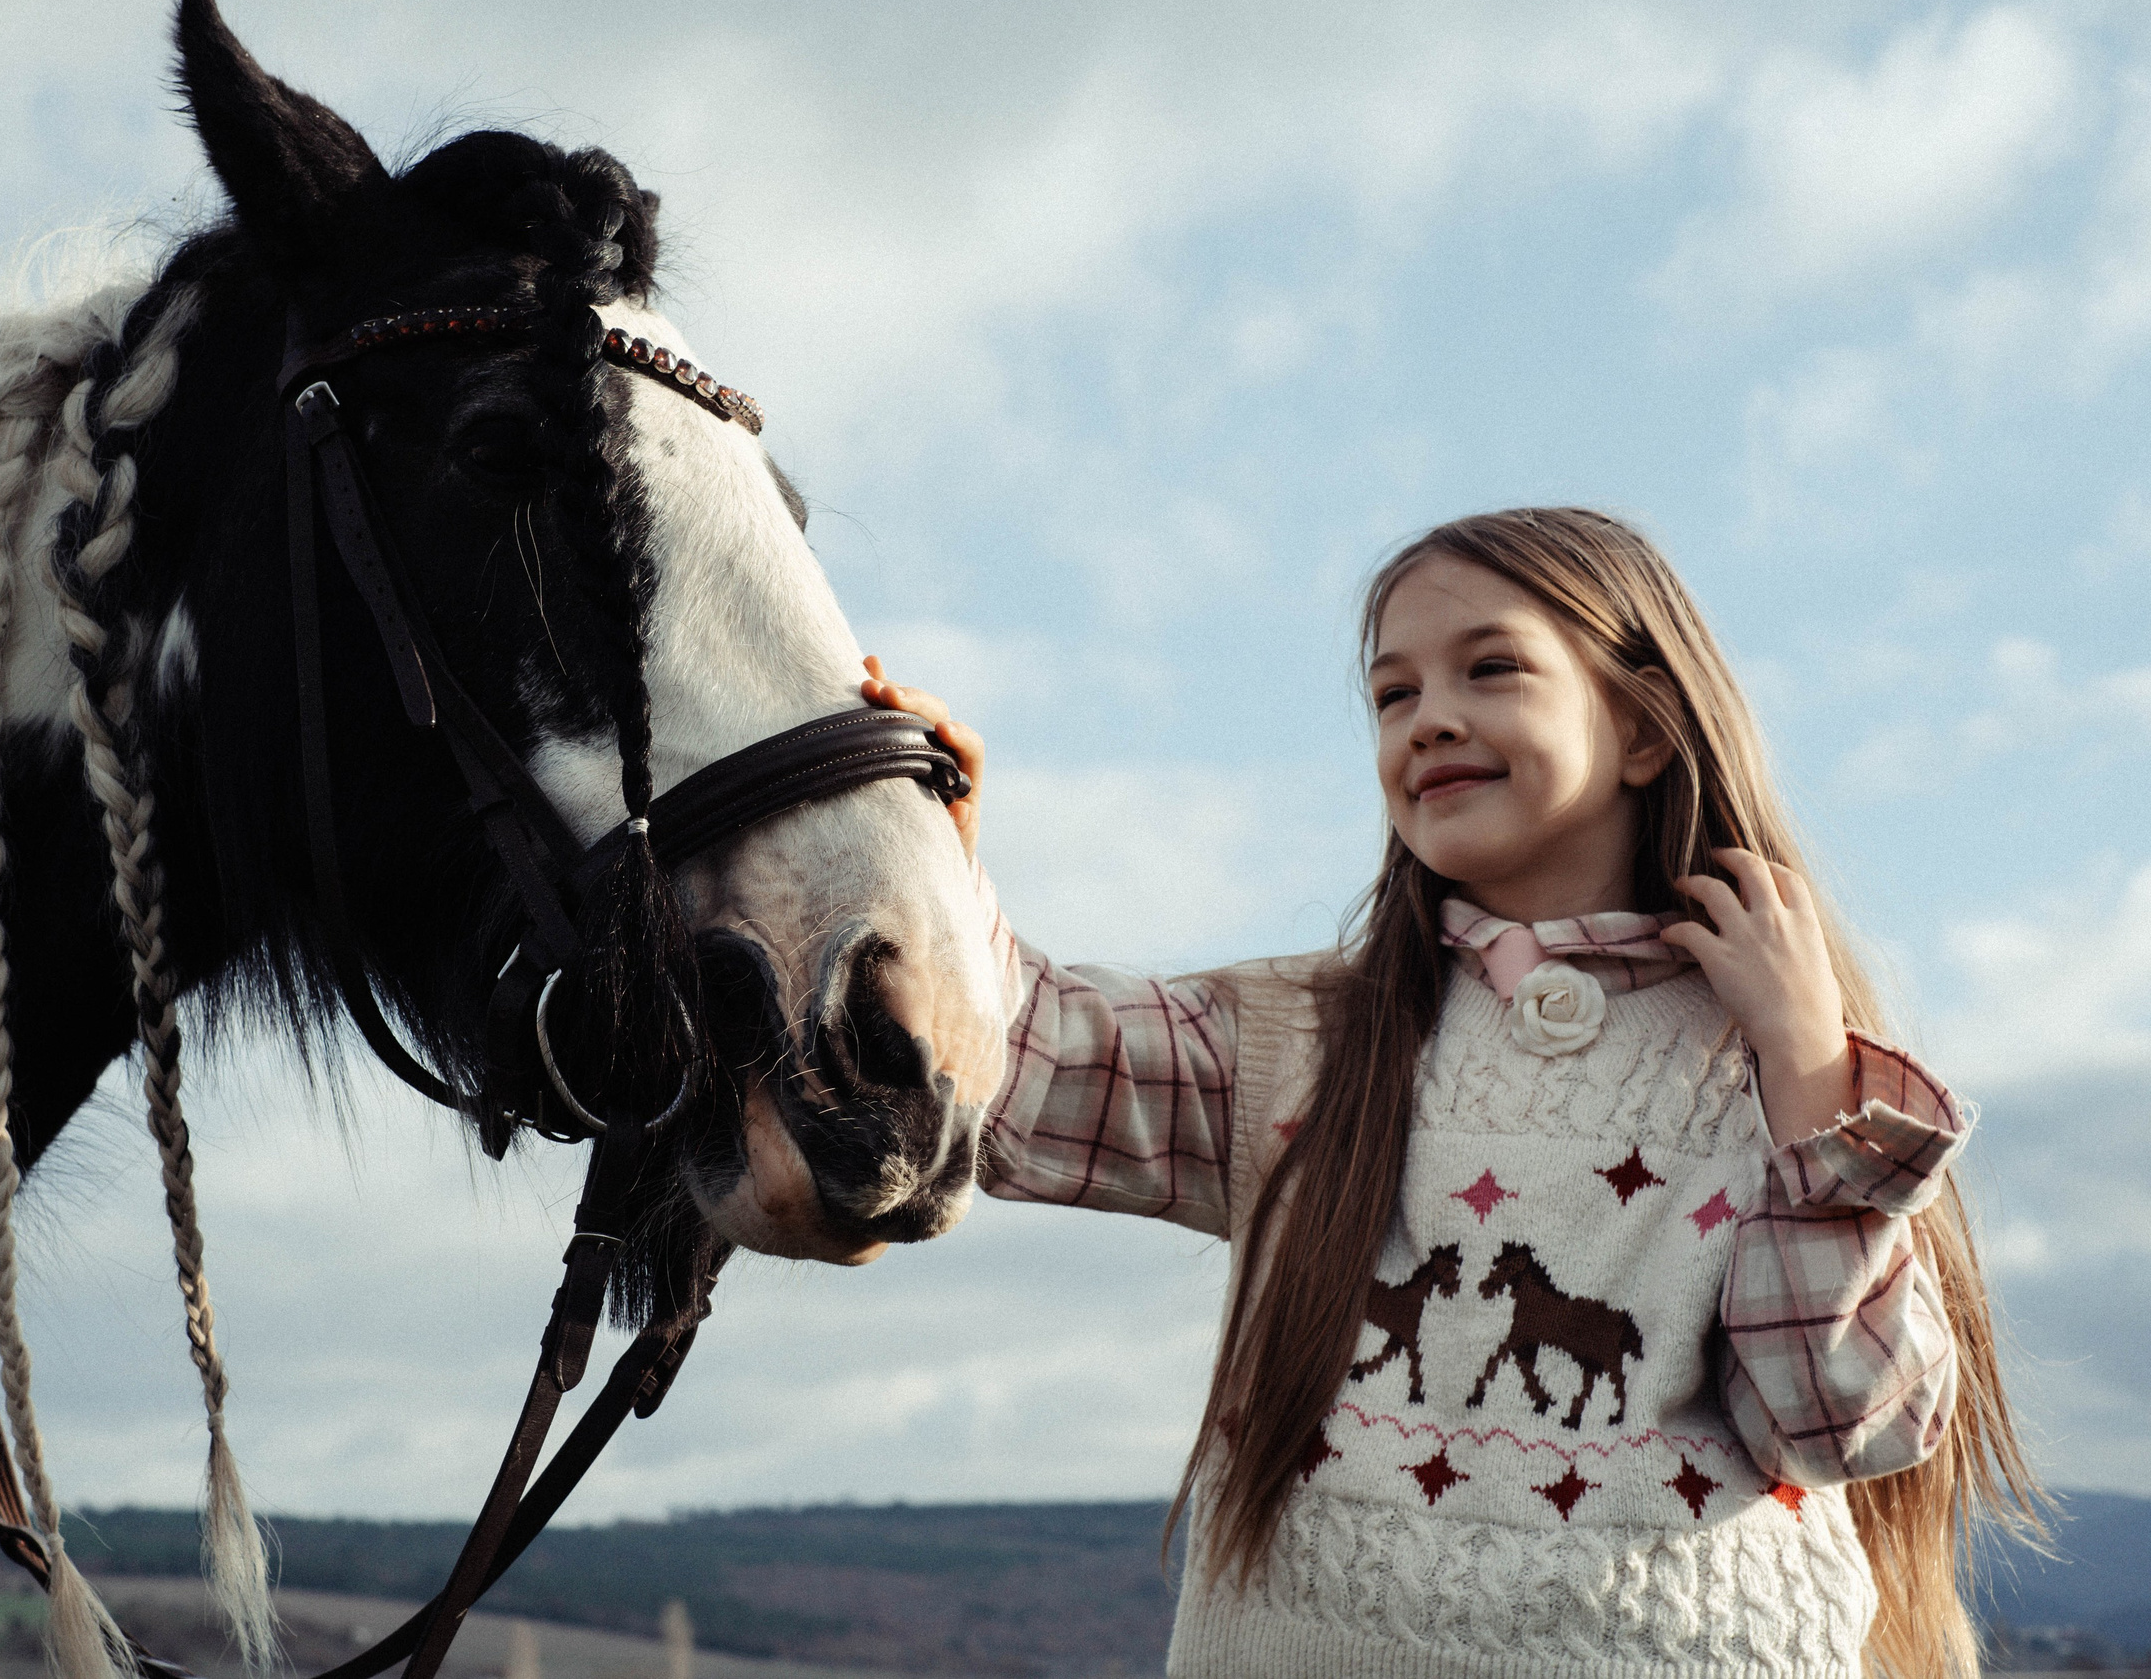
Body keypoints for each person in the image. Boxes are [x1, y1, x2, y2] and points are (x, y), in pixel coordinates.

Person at [863, 508, 2041, 1678]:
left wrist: (1804, 1071)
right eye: (1390, 695)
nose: (1428, 720)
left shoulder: (1771, 1064)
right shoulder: (1302, 1039)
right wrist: (923, 866)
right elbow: (1013, 1070)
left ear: (1640, 727)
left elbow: (1842, 1420)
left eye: (1490, 669)